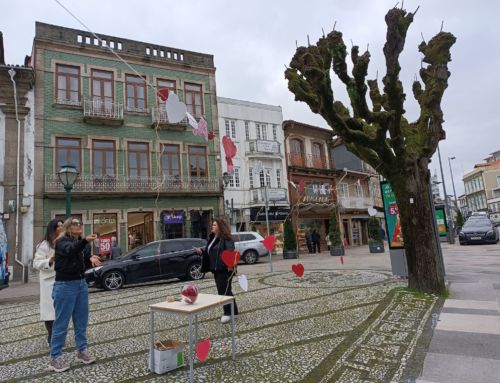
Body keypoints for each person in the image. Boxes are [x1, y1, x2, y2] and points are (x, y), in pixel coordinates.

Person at [49, 217, 101, 373]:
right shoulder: (61, 241)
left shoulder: (82, 244)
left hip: (81, 284)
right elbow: (70, 250)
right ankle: (55, 357)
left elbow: (82, 259)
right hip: (65, 286)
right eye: (75, 224)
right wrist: (85, 241)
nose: (78, 226)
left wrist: (90, 258)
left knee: (81, 321)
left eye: (80, 224)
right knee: (61, 323)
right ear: (67, 227)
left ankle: (82, 350)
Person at [194, 217, 239, 324]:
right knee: (224, 291)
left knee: (224, 291)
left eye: (214, 225)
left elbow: (230, 251)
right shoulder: (213, 237)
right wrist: (201, 251)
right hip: (216, 269)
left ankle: (229, 313)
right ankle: (233, 312)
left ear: (220, 226)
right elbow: (210, 251)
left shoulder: (226, 238)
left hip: (225, 269)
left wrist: (230, 266)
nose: (212, 226)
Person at [32, 218, 64, 347]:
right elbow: (36, 263)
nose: (61, 227)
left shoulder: (64, 242)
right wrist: (50, 260)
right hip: (48, 282)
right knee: (49, 312)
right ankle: (51, 336)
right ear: (53, 229)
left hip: (62, 279)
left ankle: (59, 335)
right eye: (59, 226)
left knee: (61, 311)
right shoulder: (44, 245)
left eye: (62, 225)